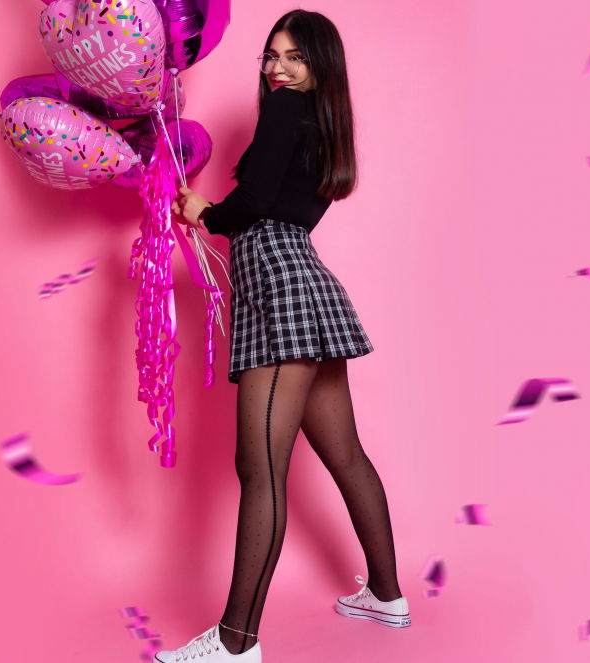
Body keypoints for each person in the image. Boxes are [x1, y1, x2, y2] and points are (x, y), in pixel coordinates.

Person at [154, 9, 410, 663]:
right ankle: (387, 596)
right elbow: (278, 201)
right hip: (304, 283)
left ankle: (235, 643)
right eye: (272, 55)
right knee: (345, 455)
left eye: (294, 57)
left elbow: (256, 200)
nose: (278, 68)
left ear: (319, 66)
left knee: (260, 470)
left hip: (279, 289)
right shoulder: (322, 122)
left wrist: (206, 212)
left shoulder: (286, 110)